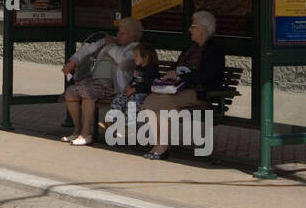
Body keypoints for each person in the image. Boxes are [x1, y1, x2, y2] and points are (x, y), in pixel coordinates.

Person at [141, 10, 225, 159]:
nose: (190, 29)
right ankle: (159, 145)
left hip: (199, 93)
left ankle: (161, 147)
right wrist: (171, 74)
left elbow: (207, 76)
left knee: (161, 102)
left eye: (193, 26)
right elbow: (176, 66)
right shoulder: (190, 49)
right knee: (151, 102)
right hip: (179, 91)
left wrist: (181, 76)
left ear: (204, 29)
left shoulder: (214, 50)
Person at [60, 16, 142, 146]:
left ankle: (86, 133)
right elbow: (87, 49)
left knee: (87, 92)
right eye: (118, 31)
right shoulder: (111, 42)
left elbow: (123, 61)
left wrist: (110, 46)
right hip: (95, 81)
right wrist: (72, 62)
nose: (118, 35)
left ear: (133, 35)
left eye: (123, 32)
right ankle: (78, 130)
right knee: (70, 93)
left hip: (113, 85)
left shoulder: (135, 48)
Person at [108, 42, 158, 140]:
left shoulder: (151, 70)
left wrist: (134, 89)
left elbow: (148, 85)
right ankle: (113, 120)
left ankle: (128, 128)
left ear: (146, 57)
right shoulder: (138, 68)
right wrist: (129, 86)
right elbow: (134, 80)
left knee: (132, 104)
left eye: (136, 56)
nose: (134, 58)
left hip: (144, 95)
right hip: (133, 92)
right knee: (119, 98)